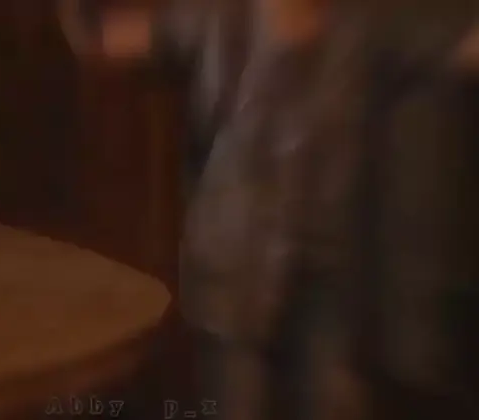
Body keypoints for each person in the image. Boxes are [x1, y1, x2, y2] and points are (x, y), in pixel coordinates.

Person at [59, 1, 479, 419]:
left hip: (328, 277)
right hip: (237, 272)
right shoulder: (216, 20)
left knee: (331, 404)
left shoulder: (365, 26)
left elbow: (460, 48)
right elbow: (103, 42)